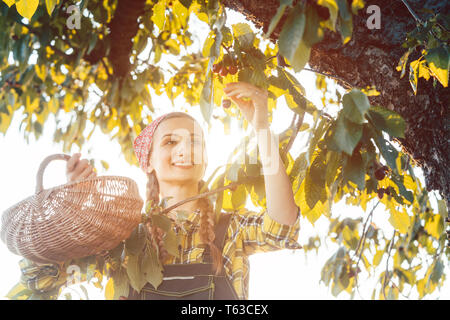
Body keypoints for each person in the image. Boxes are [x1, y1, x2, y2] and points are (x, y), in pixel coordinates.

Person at [16, 81, 301, 300]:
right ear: (148, 161)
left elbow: (282, 228)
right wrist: (71, 206)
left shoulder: (231, 230)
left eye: (195, 141)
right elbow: (39, 277)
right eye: (169, 142)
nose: (185, 149)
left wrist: (261, 127)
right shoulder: (125, 238)